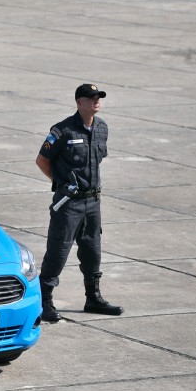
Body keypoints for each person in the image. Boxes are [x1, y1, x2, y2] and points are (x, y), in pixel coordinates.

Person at [35, 84, 123, 323]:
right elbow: (42, 160)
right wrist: (61, 183)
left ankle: (93, 298)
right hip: (69, 204)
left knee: (92, 251)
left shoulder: (102, 128)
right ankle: (44, 301)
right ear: (79, 102)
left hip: (93, 202)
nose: (96, 101)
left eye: (98, 97)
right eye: (91, 97)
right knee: (58, 251)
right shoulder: (63, 130)